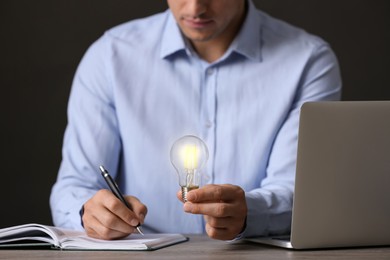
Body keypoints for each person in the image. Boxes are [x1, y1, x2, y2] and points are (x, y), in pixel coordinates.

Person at [50, 0, 342, 241]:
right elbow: (74, 185)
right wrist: (88, 211)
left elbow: (299, 192)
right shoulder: (110, 57)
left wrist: (249, 212)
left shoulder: (307, 62)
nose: (194, 8)